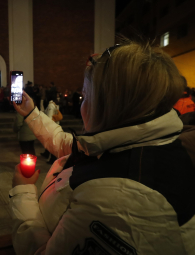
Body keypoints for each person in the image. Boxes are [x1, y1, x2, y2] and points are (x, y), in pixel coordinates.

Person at [10, 40, 195, 254]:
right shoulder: (138, 139)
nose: (82, 105)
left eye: (87, 96)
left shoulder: (125, 198)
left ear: (110, 106)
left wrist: (22, 192)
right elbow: (68, 145)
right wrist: (32, 114)